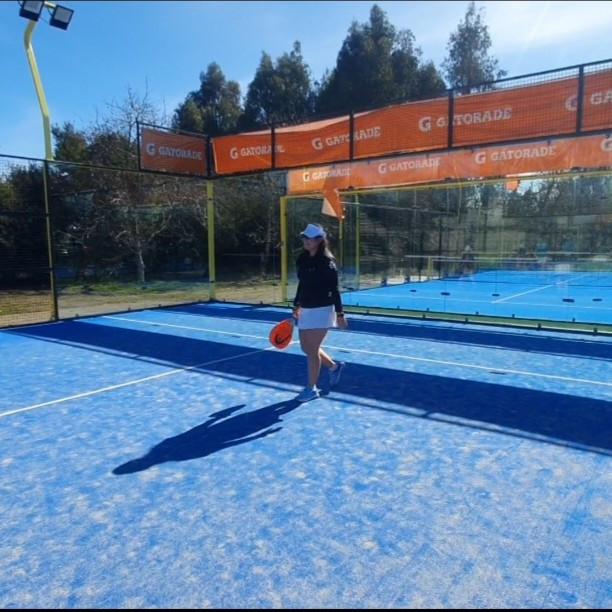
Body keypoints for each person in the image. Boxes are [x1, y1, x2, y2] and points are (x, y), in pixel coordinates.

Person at [292, 223, 348, 402]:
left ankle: (311, 389)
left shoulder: (327, 263)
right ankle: (333, 367)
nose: (306, 241)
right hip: (305, 308)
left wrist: (340, 314)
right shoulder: (302, 259)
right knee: (305, 348)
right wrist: (296, 305)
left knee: (312, 349)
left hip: (322, 309)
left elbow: (335, 290)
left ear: (319, 240)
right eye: (304, 237)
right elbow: (302, 284)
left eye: (310, 238)